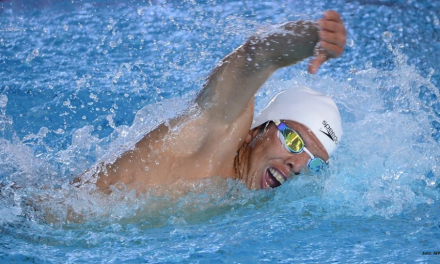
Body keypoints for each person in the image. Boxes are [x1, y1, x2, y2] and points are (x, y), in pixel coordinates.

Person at [74, 10, 346, 194]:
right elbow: (258, 54)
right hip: (49, 222)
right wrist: (312, 37)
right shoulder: (216, 134)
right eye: (295, 141)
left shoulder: (239, 196)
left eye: (313, 164)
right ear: (257, 129)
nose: (296, 166)